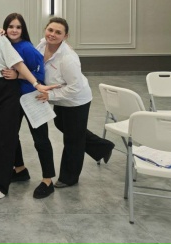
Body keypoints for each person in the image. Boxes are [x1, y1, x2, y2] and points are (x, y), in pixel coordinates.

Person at [0, 8, 52, 200]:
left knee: (4, 138)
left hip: (10, 91)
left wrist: (36, 84)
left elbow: (20, 65)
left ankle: (2, 183)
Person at [36, 17, 114, 187]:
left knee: (73, 139)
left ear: (65, 36)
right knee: (62, 125)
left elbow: (75, 87)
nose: (52, 34)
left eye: (58, 32)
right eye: (50, 30)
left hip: (76, 100)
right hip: (60, 97)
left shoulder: (68, 58)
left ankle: (69, 178)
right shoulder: (42, 45)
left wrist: (50, 95)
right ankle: (102, 146)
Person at [0, 13, 55, 199]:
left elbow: (39, 76)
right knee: (11, 135)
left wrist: (18, 75)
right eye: (10, 26)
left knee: (41, 140)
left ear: (23, 29)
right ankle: (20, 169)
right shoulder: (5, 44)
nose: (14, 30)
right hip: (14, 99)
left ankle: (48, 180)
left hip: (33, 98)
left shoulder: (27, 48)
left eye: (18, 27)